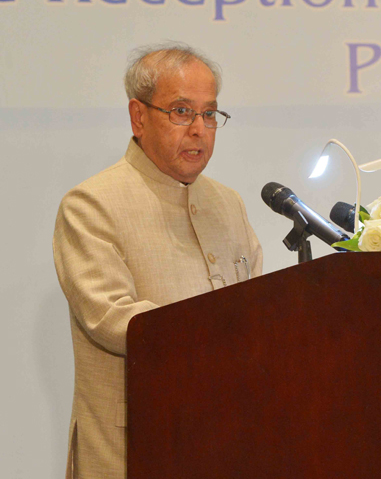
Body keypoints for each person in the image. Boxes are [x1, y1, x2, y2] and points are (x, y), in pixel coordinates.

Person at [53, 44, 263, 479]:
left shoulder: (228, 204)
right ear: (138, 116)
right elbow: (112, 317)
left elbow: (257, 307)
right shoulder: (92, 204)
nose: (199, 129)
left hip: (230, 441)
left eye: (210, 114)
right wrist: (223, 331)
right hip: (136, 449)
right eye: (182, 111)